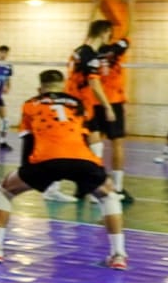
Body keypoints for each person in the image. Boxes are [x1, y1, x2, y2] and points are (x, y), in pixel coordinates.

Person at [0, 69, 127, 270]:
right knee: (109, 197)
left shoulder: (31, 104)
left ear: (40, 88)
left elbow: (28, 139)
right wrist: (98, 170)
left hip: (45, 160)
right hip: (82, 159)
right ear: (63, 87)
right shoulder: (79, 104)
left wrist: (27, 172)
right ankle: (118, 255)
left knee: (3, 191)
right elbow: (92, 139)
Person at [49, 21, 117, 200]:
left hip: (77, 103)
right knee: (75, 147)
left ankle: (90, 188)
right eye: (109, 33)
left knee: (93, 144)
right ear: (104, 32)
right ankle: (60, 188)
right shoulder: (90, 55)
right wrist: (108, 106)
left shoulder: (78, 50)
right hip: (79, 106)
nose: (110, 38)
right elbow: (94, 84)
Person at [97, 35, 132, 201]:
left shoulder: (89, 51)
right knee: (117, 143)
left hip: (94, 100)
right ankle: (117, 187)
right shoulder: (117, 49)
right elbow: (128, 35)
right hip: (112, 101)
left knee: (94, 144)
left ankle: (91, 184)